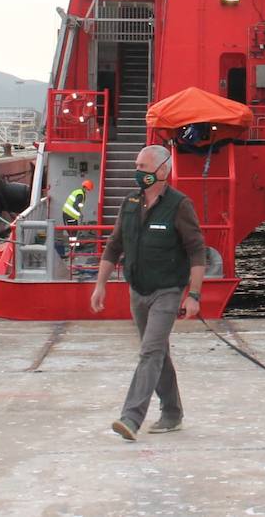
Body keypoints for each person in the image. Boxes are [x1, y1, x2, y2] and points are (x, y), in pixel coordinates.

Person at [90, 145, 205, 441]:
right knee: (157, 352)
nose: (137, 172)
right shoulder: (130, 202)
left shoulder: (179, 205)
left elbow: (196, 251)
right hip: (138, 291)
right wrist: (100, 284)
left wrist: (193, 295)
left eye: (143, 167)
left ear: (162, 170)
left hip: (167, 291)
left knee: (150, 352)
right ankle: (172, 413)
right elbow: (114, 245)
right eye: (137, 166)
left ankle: (131, 417)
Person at [57, 179, 94, 261]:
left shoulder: (78, 192)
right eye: (89, 189)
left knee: (74, 233)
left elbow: (76, 206)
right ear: (86, 188)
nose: (89, 191)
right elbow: (75, 205)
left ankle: (74, 249)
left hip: (70, 215)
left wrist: (79, 213)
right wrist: (79, 214)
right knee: (73, 233)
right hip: (69, 215)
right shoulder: (80, 195)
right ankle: (73, 250)